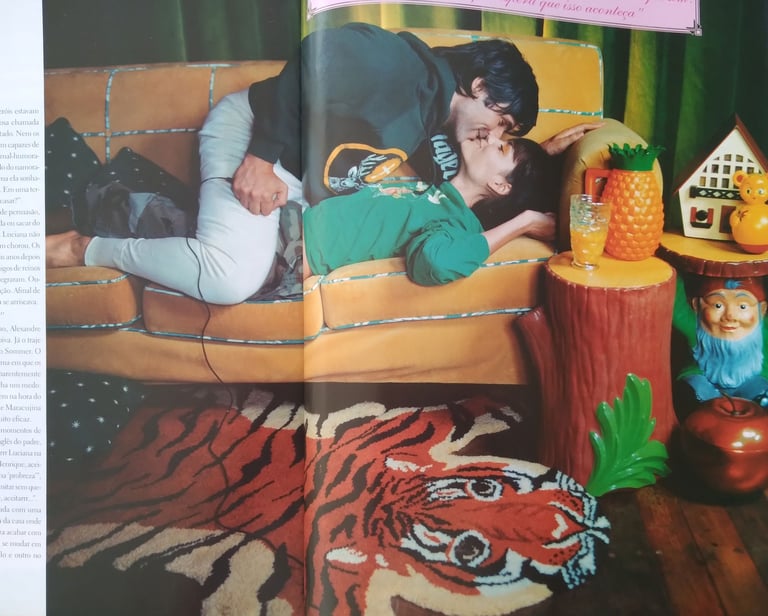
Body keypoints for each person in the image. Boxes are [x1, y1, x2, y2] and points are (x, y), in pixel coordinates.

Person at [46, 22, 599, 305]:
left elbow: (479, 183)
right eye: (502, 123)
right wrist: (261, 157)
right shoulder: (400, 68)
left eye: (504, 138)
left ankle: (119, 201)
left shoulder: (438, 128)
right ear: (478, 87)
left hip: (293, 180)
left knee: (248, 255)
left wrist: (540, 161)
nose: (492, 136)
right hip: (253, 132)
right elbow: (318, 53)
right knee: (232, 277)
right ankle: (84, 247)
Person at [303, 135, 555, 285]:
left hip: (296, 251)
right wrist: (550, 146)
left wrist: (525, 222)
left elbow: (436, 263)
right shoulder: (436, 190)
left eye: (502, 148)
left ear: (499, 185)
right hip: (293, 220)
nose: (491, 137)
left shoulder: (456, 223)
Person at [673, 275, 768, 415]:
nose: (730, 316)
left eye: (742, 307)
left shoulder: (764, 331)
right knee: (689, 395)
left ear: (762, 309)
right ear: (697, 305)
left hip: (754, 384)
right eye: (718, 305)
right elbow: (675, 302)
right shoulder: (696, 327)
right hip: (704, 383)